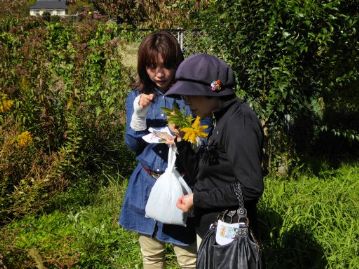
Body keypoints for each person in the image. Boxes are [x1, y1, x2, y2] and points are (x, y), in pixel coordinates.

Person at [165, 53, 264, 245]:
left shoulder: (239, 124)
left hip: (229, 240)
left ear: (213, 90)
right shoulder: (221, 117)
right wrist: (181, 141)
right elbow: (204, 174)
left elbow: (250, 187)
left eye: (190, 94)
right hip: (214, 233)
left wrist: (198, 199)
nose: (186, 101)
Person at [119, 31, 197, 269]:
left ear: (178, 64)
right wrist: (139, 114)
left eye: (167, 66)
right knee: (151, 257)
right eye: (152, 67)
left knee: (189, 258)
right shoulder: (137, 96)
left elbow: (205, 141)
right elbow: (133, 145)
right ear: (144, 67)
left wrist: (184, 137)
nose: (160, 74)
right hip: (146, 185)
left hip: (181, 188)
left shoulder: (190, 97)